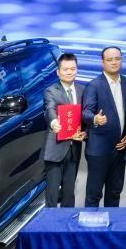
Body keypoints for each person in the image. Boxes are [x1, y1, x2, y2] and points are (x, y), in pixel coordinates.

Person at [81, 46, 126, 207]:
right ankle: (91, 223)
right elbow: (86, 112)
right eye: (109, 60)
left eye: (117, 59)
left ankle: (112, 223)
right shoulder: (94, 85)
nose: (114, 62)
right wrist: (95, 119)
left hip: (120, 148)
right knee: (94, 193)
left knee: (115, 192)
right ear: (102, 62)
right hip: (99, 149)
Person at [43, 53, 86, 207]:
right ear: (58, 72)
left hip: (74, 148)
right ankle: (50, 221)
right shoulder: (51, 91)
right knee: (52, 193)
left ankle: (68, 220)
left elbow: (85, 116)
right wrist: (54, 122)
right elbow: (49, 108)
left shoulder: (83, 90)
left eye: (73, 69)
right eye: (65, 69)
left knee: (69, 192)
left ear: (77, 70)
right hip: (55, 147)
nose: (69, 72)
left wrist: (85, 132)